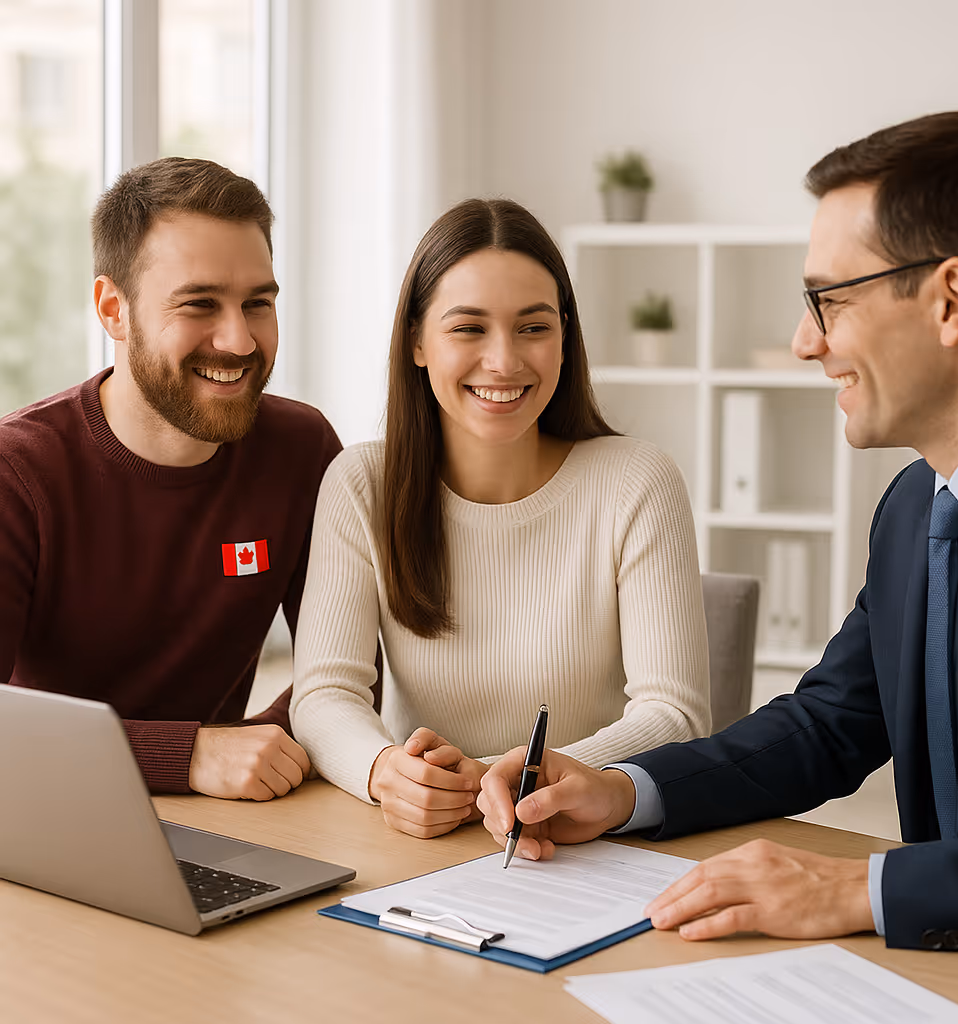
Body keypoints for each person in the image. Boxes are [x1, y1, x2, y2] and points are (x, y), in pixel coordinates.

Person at [479, 111, 958, 954]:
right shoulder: (918, 507)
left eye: (830, 300)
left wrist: (863, 887)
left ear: (951, 300)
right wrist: (621, 792)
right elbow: (829, 724)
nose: (806, 342)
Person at [291, 198, 710, 839]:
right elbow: (325, 696)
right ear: (417, 341)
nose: (504, 361)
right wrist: (384, 772)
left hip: (582, 840)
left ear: (565, 339)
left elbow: (675, 713)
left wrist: (507, 780)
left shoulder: (637, 481)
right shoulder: (361, 483)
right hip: (421, 839)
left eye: (533, 327)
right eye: (468, 328)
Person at [0, 157, 342, 801]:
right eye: (200, 304)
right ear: (113, 309)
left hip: (225, 822)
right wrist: (185, 756)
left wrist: (267, 743)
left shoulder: (303, 449)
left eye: (257, 303)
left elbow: (350, 668)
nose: (239, 340)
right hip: (44, 814)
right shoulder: (16, 471)